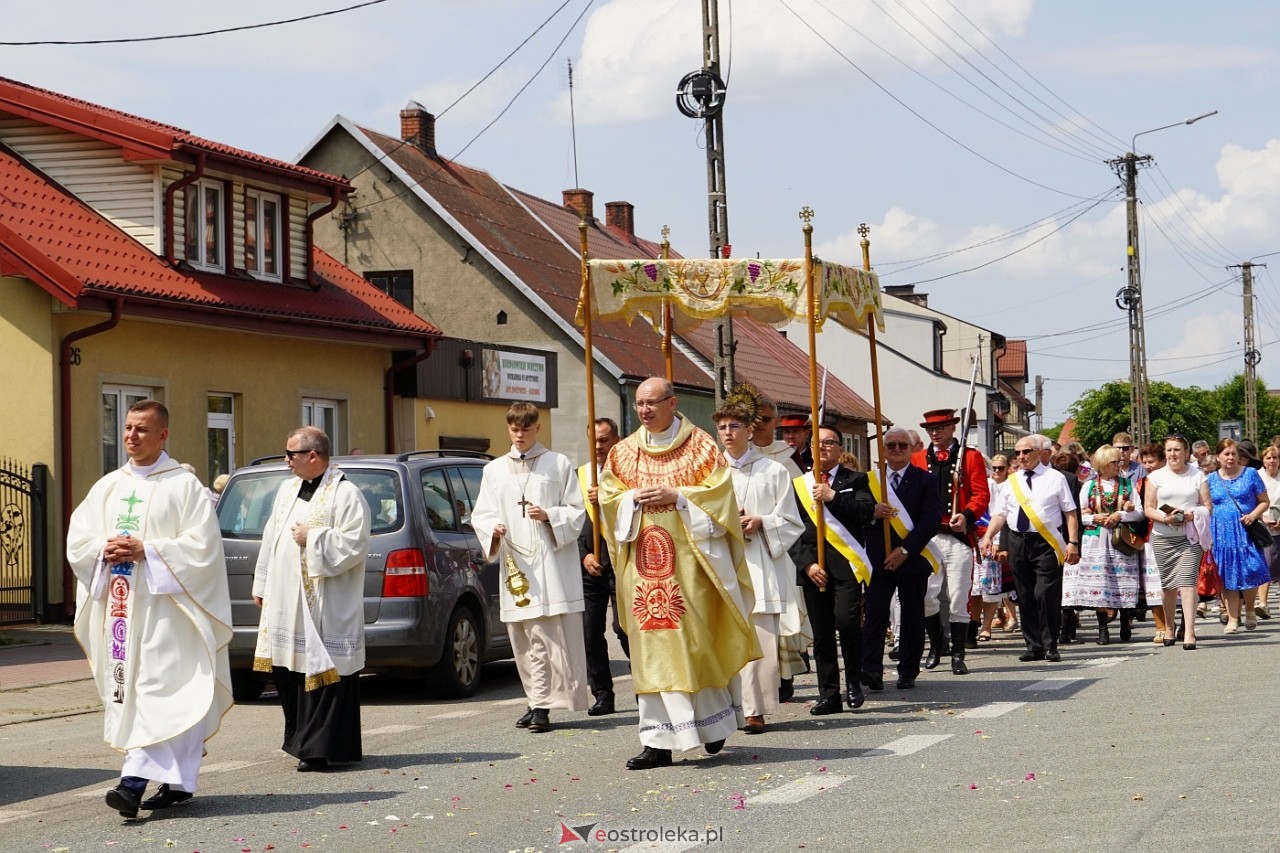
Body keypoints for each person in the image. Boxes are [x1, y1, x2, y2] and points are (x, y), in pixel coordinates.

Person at [67, 400, 233, 818]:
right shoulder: (107, 487)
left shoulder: (184, 486)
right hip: (121, 612)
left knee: (162, 692)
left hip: (169, 613)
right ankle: (177, 782)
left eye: (141, 429)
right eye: (127, 427)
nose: (131, 436)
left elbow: (203, 547)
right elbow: (78, 540)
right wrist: (101, 550)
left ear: (163, 435)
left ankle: (132, 784)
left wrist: (150, 550)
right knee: (136, 692)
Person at [599, 378, 758, 770]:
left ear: (672, 403)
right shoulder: (622, 452)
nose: (644, 410)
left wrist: (680, 497)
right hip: (643, 569)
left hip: (691, 568)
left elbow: (721, 497)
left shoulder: (701, 446)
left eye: (652, 403)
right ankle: (657, 742)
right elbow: (608, 498)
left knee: (695, 646)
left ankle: (713, 724)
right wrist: (629, 499)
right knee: (650, 652)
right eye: (639, 404)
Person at [252, 426, 371, 771]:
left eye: (291, 454)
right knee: (287, 669)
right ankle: (300, 740)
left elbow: (356, 543)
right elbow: (271, 538)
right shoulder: (287, 490)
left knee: (324, 670)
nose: (286, 461)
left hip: (326, 601)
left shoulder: (346, 494)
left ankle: (320, 749)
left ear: (313, 455)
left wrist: (314, 537)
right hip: (285, 599)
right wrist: (262, 583)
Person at [472, 403, 589, 733]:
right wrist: (493, 528)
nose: (519, 435)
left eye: (525, 429)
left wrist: (550, 515)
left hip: (550, 566)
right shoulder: (494, 470)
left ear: (537, 428)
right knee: (522, 639)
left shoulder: (558, 464)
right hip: (516, 565)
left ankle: (541, 706)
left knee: (544, 638)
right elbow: (482, 513)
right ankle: (535, 700)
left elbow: (576, 511)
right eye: (514, 429)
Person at [714, 391, 804, 733]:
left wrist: (761, 522)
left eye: (734, 426)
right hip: (723, 562)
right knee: (725, 637)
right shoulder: (711, 474)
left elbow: (792, 520)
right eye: (722, 427)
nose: (728, 432)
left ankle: (755, 710)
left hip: (760, 562)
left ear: (749, 430)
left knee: (760, 638)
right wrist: (724, 523)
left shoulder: (773, 470)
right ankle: (727, 708)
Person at [790, 426, 876, 714]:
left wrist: (833, 497)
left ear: (840, 448)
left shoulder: (856, 479)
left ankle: (853, 682)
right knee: (822, 634)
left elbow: (866, 513)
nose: (823, 447)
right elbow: (790, 529)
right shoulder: (798, 485)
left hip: (847, 567)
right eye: (818, 443)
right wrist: (807, 563)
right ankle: (829, 694)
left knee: (848, 624)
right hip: (813, 568)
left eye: (829, 442)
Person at [979, 436, 1081, 662]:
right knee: (1024, 595)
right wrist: (988, 536)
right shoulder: (1011, 482)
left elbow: (1070, 513)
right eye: (1017, 453)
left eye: (1026, 451)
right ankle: (1033, 646)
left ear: (1039, 452)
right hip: (1018, 541)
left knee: (1045, 593)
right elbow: (1000, 514)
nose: (1021, 456)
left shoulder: (1055, 478)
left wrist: (1073, 542)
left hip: (1046, 542)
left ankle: (1050, 644)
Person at [860, 428, 942, 690]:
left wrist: (905, 550)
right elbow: (857, 513)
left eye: (902, 445)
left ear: (911, 449)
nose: (896, 449)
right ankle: (871, 669)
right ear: (883, 450)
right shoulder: (869, 480)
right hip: (877, 559)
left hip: (912, 558)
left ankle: (908, 669)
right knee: (875, 615)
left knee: (912, 615)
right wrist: (872, 512)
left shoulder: (925, 480)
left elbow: (930, 521)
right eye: (891, 445)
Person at [911, 409, 989, 676]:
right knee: (927, 595)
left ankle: (958, 654)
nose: (935, 433)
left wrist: (966, 515)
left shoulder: (970, 456)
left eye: (941, 427)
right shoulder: (918, 458)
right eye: (931, 429)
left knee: (958, 596)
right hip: (929, 537)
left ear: (952, 428)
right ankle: (937, 644)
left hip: (958, 537)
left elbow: (981, 495)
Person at [750, 397, 811, 703]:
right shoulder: (736, 456)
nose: (758, 425)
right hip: (745, 549)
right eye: (754, 419)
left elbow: (800, 507)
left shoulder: (786, 458)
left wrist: (766, 523)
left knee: (781, 612)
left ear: (775, 423)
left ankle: (783, 675)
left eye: (765, 419)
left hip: (779, 546)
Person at [1065, 445, 1143, 644]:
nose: (1119, 465)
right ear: (1103, 464)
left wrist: (1121, 514)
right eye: (1114, 462)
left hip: (1120, 539)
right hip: (1096, 539)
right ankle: (1103, 629)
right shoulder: (1089, 486)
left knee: (1123, 580)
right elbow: (1078, 515)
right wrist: (1094, 517)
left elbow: (1140, 513)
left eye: (1119, 461)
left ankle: (1125, 621)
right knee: (1100, 584)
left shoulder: (1127, 484)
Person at [577, 417, 629, 717]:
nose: (597, 446)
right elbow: (571, 520)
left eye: (604, 440)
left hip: (622, 562)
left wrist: (607, 497)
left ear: (616, 440)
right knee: (589, 632)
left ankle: (644, 687)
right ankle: (602, 694)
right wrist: (584, 554)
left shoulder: (627, 472)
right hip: (590, 564)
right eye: (593, 440)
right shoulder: (580, 475)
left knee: (625, 629)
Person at [1142, 434, 1211, 650]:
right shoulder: (1156, 477)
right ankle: (1169, 627)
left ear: (1186, 452)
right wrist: (1166, 518)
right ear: (1165, 453)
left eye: (1177, 450)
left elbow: (1208, 507)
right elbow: (1148, 508)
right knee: (1169, 585)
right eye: (1169, 450)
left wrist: (1191, 515)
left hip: (1190, 537)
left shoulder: (1197, 475)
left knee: (1188, 582)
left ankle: (1189, 631)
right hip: (1163, 537)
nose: (1173, 454)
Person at [1206, 439, 1271, 633]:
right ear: (1218, 457)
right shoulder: (1210, 479)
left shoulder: (1250, 474)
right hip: (1221, 535)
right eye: (1226, 454)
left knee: (1249, 572)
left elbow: (1264, 501)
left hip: (1245, 532)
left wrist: (1253, 515)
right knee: (1226, 576)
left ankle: (1250, 610)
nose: (1231, 457)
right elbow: (1206, 506)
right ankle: (1233, 619)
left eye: (1234, 453)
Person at [1137, 444, 1170, 643]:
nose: (1148, 465)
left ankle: (1183, 625)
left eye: (1152, 461)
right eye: (1145, 462)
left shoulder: (1174, 480)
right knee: (1154, 582)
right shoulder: (1141, 484)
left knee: (1180, 581)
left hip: (1177, 533)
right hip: (1150, 537)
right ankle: (1160, 626)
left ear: (1162, 461)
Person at [1257, 444, 1280, 618]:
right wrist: (1262, 517)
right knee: (1266, 563)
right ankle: (1262, 603)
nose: (1272, 461)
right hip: (1262, 524)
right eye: (1268, 458)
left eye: (1275, 457)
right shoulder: (1257, 477)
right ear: (1263, 460)